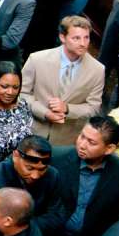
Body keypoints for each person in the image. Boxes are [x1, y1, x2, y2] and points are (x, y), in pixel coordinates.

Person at [19, 15, 103, 147]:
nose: (83, 43)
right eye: (76, 38)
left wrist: (68, 108)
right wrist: (45, 112)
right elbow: (21, 94)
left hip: (66, 140)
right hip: (30, 131)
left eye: (86, 37)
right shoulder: (37, 59)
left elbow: (93, 108)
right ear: (62, 37)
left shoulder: (97, 69)